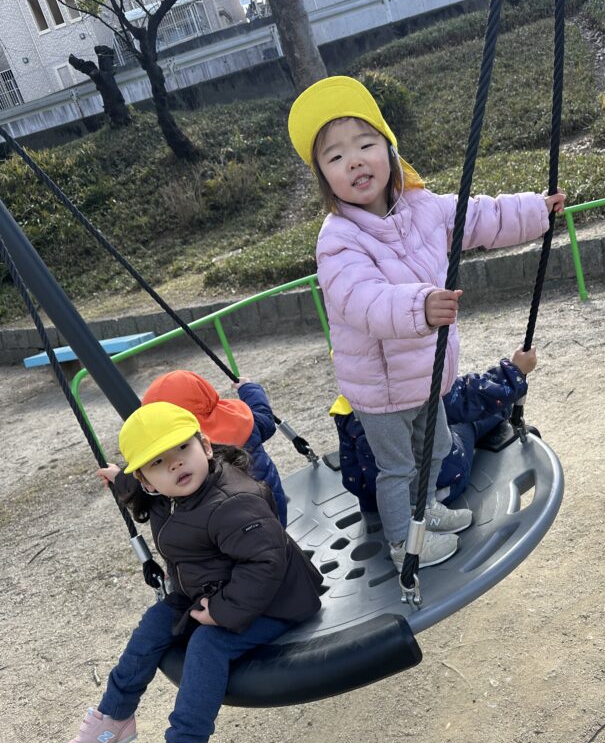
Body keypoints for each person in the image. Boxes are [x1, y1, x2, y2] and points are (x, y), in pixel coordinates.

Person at [287, 75, 564, 571]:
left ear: (389, 151)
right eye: (335, 157)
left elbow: (481, 216)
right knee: (397, 468)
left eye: (365, 144)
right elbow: (361, 300)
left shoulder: (423, 207)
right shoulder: (338, 238)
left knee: (436, 448)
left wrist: (535, 210)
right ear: (325, 179)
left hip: (425, 374)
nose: (354, 161)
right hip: (378, 388)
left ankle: (427, 508)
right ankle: (404, 545)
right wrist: (420, 306)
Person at [53, 402, 322, 743]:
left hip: (275, 601)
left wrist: (221, 611)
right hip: (205, 589)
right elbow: (142, 487)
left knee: (208, 644)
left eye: (182, 448)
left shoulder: (234, 503)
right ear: (148, 481)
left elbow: (266, 564)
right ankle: (115, 716)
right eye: (158, 462)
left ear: (206, 446)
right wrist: (121, 479)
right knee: (152, 626)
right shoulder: (167, 492)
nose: (175, 463)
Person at [331, 347, 537, 513]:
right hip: (443, 486)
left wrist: (371, 504)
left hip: (387, 502)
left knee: (439, 422)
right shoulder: (413, 388)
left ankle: (500, 410)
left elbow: (352, 471)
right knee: (467, 422)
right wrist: (514, 372)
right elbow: (472, 396)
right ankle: (504, 410)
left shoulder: (346, 409)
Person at [142, 370, 288, 526]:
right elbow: (266, 418)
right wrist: (248, 388)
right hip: (273, 503)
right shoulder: (238, 418)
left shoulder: (188, 447)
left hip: (231, 524)